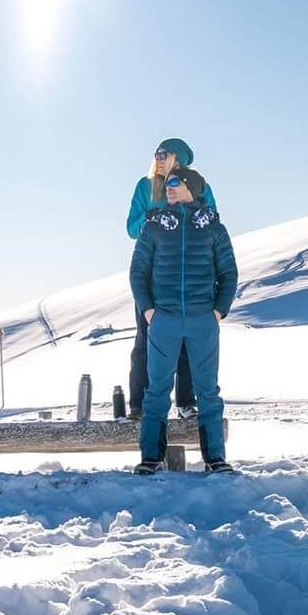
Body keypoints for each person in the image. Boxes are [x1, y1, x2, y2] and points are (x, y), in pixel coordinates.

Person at [129, 166, 238, 474]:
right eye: (167, 184)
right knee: (156, 392)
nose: (169, 187)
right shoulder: (153, 227)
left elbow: (228, 273)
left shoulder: (214, 229)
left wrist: (217, 311)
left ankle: (215, 458)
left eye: (175, 182)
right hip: (164, 320)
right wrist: (149, 310)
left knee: (208, 393)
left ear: (192, 187)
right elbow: (138, 272)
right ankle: (150, 458)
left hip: (202, 320)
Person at [125, 138, 217, 421]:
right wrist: (149, 217)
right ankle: (139, 405)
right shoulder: (146, 186)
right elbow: (131, 227)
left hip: (188, 273)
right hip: (153, 274)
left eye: (165, 153)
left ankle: (186, 402)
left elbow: (212, 219)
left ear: (179, 158)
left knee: (187, 341)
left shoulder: (199, 186)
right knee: (146, 339)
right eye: (157, 153)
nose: (159, 157)